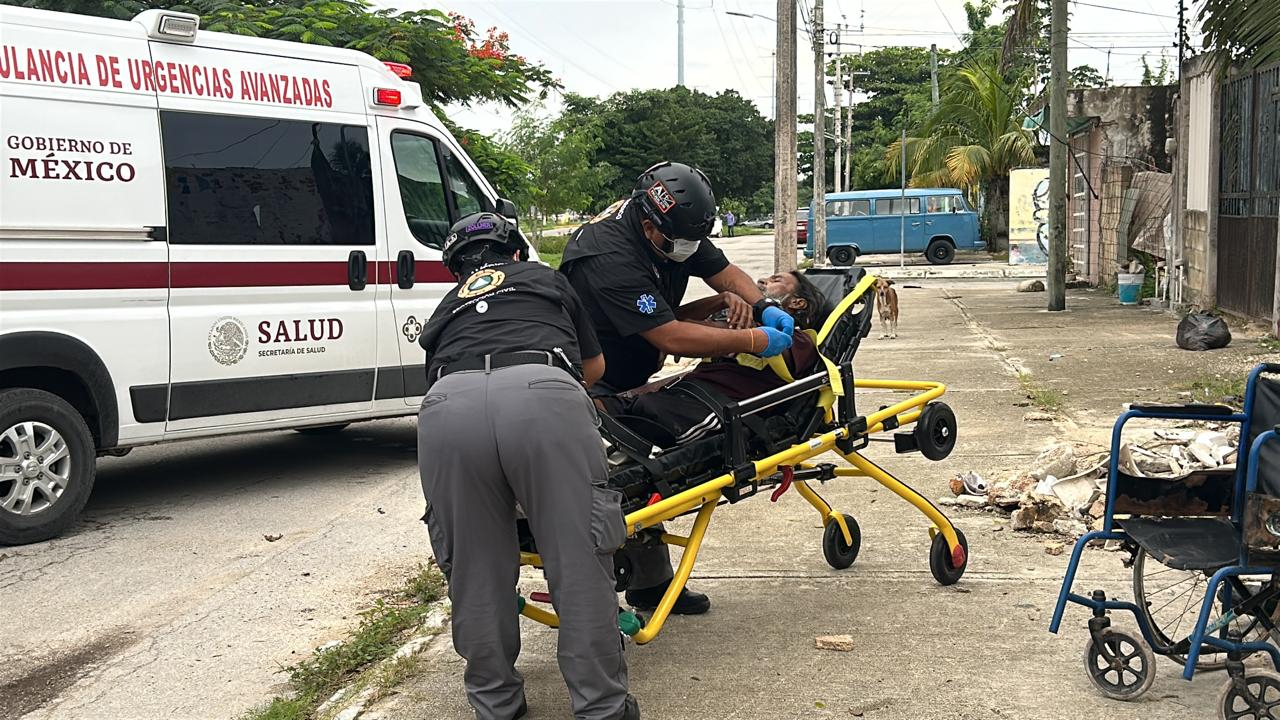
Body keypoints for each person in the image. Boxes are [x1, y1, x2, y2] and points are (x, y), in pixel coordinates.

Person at [418, 212, 639, 720]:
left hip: (448, 407)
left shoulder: (446, 306)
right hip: (542, 394)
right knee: (578, 557)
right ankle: (601, 706)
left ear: (456, 269)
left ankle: (496, 704)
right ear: (517, 252)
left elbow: (435, 374)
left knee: (474, 566)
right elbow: (594, 368)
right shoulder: (545, 280)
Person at [560, 161, 796, 616]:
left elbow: (722, 271)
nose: (688, 250)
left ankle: (651, 585)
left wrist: (763, 304)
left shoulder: (675, 225)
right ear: (648, 225)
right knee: (616, 479)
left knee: (646, 467)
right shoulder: (608, 255)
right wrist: (753, 340)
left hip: (629, 366)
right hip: (592, 376)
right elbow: (669, 336)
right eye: (679, 244)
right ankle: (592, 609)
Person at [597, 271, 827, 447]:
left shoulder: (798, 340)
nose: (761, 280)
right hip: (676, 397)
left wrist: (749, 324)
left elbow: (683, 330)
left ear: (797, 302)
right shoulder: (738, 325)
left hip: (709, 412)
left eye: (776, 280)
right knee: (590, 407)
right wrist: (721, 299)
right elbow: (670, 323)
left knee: (617, 430)